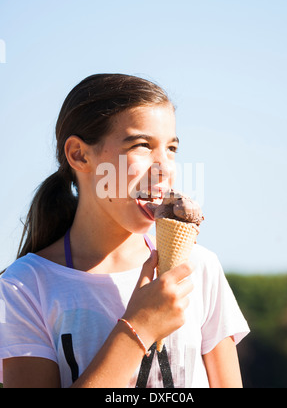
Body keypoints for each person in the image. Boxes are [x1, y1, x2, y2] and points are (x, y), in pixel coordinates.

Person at [0, 74, 249, 388]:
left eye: (171, 148)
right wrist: (139, 329)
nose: (165, 168)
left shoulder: (199, 269)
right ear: (79, 154)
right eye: (142, 145)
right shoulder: (23, 288)